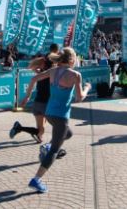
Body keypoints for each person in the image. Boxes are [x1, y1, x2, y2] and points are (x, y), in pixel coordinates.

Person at [26, 47, 91, 193]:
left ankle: (48, 146)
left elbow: (34, 78)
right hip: (61, 117)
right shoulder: (75, 75)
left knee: (68, 134)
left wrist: (28, 94)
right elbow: (79, 98)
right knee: (55, 150)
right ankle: (36, 180)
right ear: (72, 59)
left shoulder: (53, 71)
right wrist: (87, 88)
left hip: (49, 114)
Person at [14, 53, 57, 143]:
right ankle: (20, 128)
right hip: (46, 104)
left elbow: (31, 68)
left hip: (37, 103)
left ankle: (38, 137)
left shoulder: (41, 72)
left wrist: (27, 97)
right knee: (43, 130)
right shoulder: (53, 73)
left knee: (40, 128)